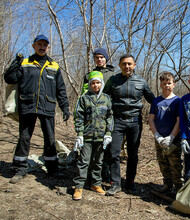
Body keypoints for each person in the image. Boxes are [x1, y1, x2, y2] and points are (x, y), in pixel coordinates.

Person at [4, 34, 70, 184]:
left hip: (47, 106)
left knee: (50, 138)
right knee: (24, 138)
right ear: (33, 46)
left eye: (44, 45)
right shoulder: (25, 63)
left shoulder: (54, 66)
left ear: (48, 47)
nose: (42, 47)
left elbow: (61, 89)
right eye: (39, 44)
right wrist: (16, 63)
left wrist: (65, 107)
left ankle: (52, 169)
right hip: (27, 105)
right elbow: (9, 78)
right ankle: (20, 169)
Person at [103, 54, 155, 196]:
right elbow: (104, 97)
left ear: (134, 65)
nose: (127, 66)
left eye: (129, 64)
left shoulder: (141, 81)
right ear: (119, 65)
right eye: (124, 64)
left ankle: (130, 182)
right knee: (113, 152)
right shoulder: (113, 80)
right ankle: (115, 183)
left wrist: (168, 105)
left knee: (133, 154)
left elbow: (152, 99)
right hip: (117, 121)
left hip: (135, 122)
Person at [73, 71, 113, 200]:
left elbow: (110, 116)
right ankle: (79, 186)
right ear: (90, 84)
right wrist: (79, 134)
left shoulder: (106, 98)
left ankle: (95, 184)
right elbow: (79, 116)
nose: (96, 85)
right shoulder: (84, 98)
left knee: (98, 162)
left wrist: (108, 133)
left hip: (101, 137)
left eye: (98, 83)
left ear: (102, 83)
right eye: (93, 83)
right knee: (83, 161)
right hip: (87, 136)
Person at [81, 48, 114, 183]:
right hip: (91, 117)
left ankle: (105, 171)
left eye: (102, 57)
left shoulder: (112, 75)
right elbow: (84, 94)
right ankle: (90, 171)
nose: (99, 59)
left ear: (106, 58)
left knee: (106, 146)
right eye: (97, 57)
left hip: (107, 113)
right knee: (90, 145)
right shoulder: (88, 75)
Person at [149, 71, 183, 194]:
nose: (167, 86)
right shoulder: (156, 101)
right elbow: (151, 119)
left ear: (173, 84)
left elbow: (179, 121)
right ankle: (167, 185)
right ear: (160, 85)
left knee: (175, 164)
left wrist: (171, 137)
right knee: (163, 162)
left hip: (174, 139)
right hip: (160, 139)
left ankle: (179, 188)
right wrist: (157, 136)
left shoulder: (178, 101)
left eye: (169, 83)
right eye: (164, 83)